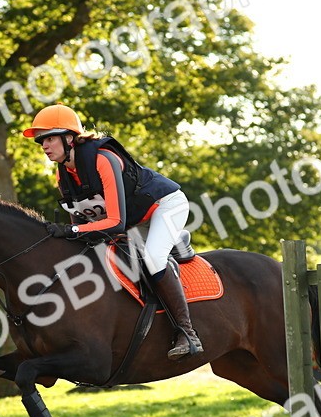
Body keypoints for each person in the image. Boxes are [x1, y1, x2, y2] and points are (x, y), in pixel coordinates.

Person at [23, 104, 202, 359]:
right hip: (135, 220)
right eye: (42, 141)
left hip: (165, 206)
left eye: (49, 138)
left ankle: (187, 333)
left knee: (152, 258)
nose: (44, 146)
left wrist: (71, 229)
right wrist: (70, 234)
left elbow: (114, 223)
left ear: (69, 138)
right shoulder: (63, 176)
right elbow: (83, 227)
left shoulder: (102, 159)